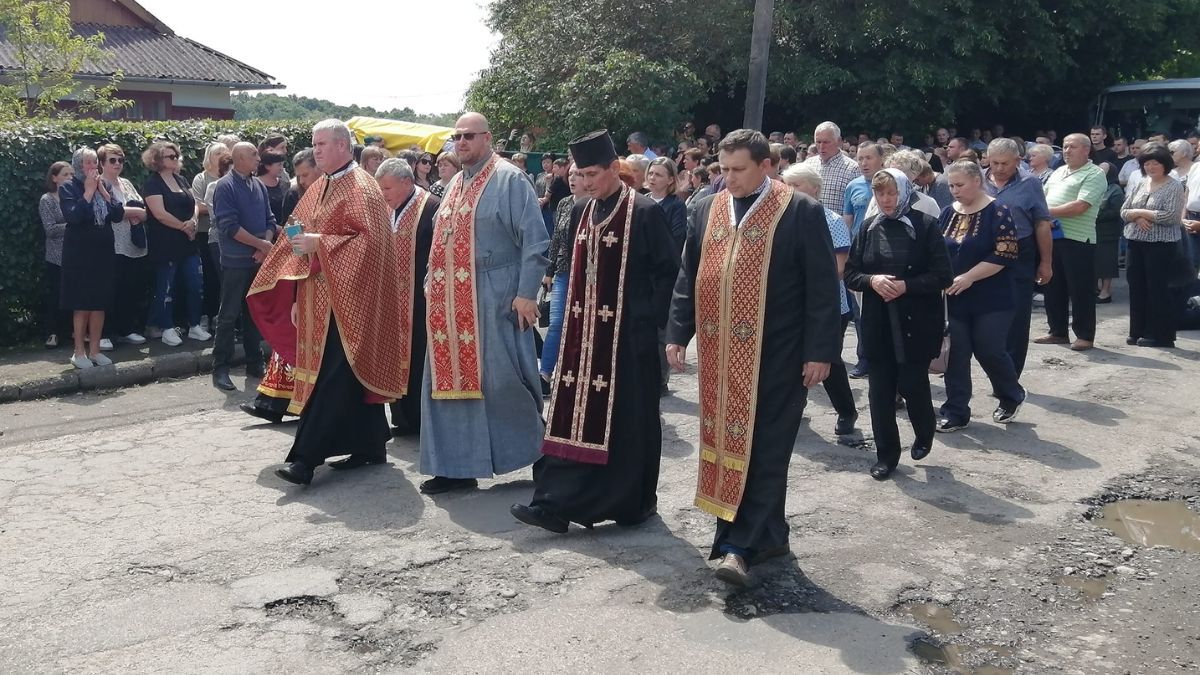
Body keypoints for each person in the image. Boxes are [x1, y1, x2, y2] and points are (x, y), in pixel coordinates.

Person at [666, 129, 841, 586]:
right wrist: (678, 332)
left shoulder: (799, 210)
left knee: (766, 447)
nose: (729, 179)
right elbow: (692, 272)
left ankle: (737, 546)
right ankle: (770, 535)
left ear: (766, 166)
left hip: (780, 353)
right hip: (722, 357)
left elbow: (823, 287)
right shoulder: (707, 207)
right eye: (722, 170)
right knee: (728, 444)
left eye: (738, 170)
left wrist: (820, 352)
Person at [511, 129, 679, 533]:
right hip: (582, 341)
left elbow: (669, 275)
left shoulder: (644, 212)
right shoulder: (585, 210)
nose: (585, 182)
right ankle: (553, 503)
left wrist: (645, 324)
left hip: (627, 341)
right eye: (579, 175)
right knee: (570, 417)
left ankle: (631, 503)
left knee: (626, 423)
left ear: (614, 169)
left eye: (591, 174)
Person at [251, 119, 408, 486]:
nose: (316, 150)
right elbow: (297, 232)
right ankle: (371, 444)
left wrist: (320, 243)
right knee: (346, 375)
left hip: (351, 300)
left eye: (322, 144)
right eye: (314, 144)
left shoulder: (362, 187)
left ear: (342, 146)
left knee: (331, 377)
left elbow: (370, 245)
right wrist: (292, 287)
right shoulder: (320, 185)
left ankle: (304, 460)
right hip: (316, 295)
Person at [418, 112, 550, 495]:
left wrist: (527, 293)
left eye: (469, 136)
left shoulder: (509, 178)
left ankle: (541, 453)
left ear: (487, 138)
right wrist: (430, 282)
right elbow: (438, 243)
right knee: (447, 385)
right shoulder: (455, 183)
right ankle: (456, 467)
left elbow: (535, 240)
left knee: (501, 379)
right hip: (449, 301)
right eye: (456, 136)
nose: (461, 142)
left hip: (496, 294)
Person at [844, 168, 952, 480]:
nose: (887, 200)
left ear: (904, 192)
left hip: (916, 322)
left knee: (913, 384)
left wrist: (907, 286)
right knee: (880, 393)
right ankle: (886, 456)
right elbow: (851, 273)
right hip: (879, 323)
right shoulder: (867, 227)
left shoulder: (926, 225)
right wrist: (873, 280)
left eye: (892, 193)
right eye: (880, 194)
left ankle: (924, 431)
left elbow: (943, 275)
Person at [936, 160, 1025, 433]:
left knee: (989, 349)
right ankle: (956, 411)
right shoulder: (947, 213)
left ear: (977, 181)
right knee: (956, 354)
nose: (955, 191)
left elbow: (1004, 254)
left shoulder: (998, 211)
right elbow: (938, 249)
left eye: (960, 185)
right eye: (951, 185)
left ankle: (1010, 395)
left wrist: (969, 277)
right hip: (955, 297)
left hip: (992, 296)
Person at [781, 164, 860, 438]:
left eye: (796, 185)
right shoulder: (782, 220)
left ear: (814, 189)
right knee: (791, 359)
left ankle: (847, 411)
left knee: (830, 361)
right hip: (793, 306)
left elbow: (838, 268)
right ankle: (791, 409)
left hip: (830, 306)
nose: (789, 191)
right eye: (786, 185)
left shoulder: (832, 220)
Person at [374, 158, 439, 436]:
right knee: (396, 356)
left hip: (421, 299)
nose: (384, 194)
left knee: (420, 357)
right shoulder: (387, 209)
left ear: (406, 182)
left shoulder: (432, 207)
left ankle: (422, 419)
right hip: (392, 299)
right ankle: (402, 417)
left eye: (387, 188)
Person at [210, 142, 277, 392]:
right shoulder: (225, 186)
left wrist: (265, 245)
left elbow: (269, 218)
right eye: (253, 154)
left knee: (254, 313)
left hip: (258, 259)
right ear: (238, 159)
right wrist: (261, 244)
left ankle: (254, 362)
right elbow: (228, 226)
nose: (258, 158)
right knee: (228, 314)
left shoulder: (257, 184)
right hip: (236, 261)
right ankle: (220, 368)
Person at [984, 138, 1053, 376]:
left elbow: (1042, 223)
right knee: (987, 315)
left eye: (1006, 163)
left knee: (1017, 315)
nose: (1000, 168)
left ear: (1018, 161)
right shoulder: (977, 180)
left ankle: (1011, 376)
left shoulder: (1030, 183)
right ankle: (995, 369)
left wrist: (1045, 263)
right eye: (995, 163)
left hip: (1019, 251)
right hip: (983, 252)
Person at [1036, 133, 1107, 351]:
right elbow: (1042, 196)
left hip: (1078, 239)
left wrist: (1044, 213)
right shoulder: (1058, 172)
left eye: (1072, 147)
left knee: (1080, 289)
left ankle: (1085, 335)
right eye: (1065, 147)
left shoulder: (1094, 174)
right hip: (1051, 236)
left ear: (1086, 150)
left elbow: (1080, 206)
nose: (1066, 151)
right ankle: (1057, 331)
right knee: (1052, 285)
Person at [59, 147, 125, 370]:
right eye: (88, 163)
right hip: (80, 253)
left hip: (103, 252)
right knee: (82, 303)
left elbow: (117, 214)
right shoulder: (68, 187)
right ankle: (79, 352)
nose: (93, 168)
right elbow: (74, 216)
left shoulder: (104, 184)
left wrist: (104, 194)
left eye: (95, 162)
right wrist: (88, 192)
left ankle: (95, 350)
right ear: (79, 166)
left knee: (99, 302)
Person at [143, 141, 211, 347]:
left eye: (175, 155)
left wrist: (192, 222)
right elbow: (160, 214)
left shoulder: (181, 179)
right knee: (167, 287)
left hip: (188, 242)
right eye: (169, 156)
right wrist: (184, 227)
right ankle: (167, 328)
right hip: (166, 244)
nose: (175, 159)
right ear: (157, 160)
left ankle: (194, 325)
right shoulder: (152, 183)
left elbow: (195, 205)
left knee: (194, 284)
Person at [1121, 143, 1186, 348]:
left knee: (1157, 288)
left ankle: (1160, 334)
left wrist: (1141, 213)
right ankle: (1137, 330)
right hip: (1136, 241)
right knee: (1136, 286)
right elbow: (1125, 211)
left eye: (1155, 163)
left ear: (1165, 164)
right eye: (1147, 163)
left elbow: (1171, 216)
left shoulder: (1174, 185)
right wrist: (1136, 216)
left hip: (1161, 244)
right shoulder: (1141, 183)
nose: (1150, 167)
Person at [98, 144, 150, 347]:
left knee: (131, 287)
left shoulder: (126, 183)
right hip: (112, 244)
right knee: (111, 288)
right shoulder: (100, 183)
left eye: (120, 160)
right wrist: (134, 213)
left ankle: (126, 329)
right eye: (112, 160)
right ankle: (105, 333)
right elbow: (109, 211)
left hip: (133, 243)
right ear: (102, 163)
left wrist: (134, 213)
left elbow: (144, 209)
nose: (117, 164)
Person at [539, 164, 585, 392]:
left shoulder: (600, 203)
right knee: (557, 323)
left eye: (578, 174)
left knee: (583, 327)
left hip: (590, 275)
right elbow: (556, 238)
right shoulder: (566, 203)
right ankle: (545, 375)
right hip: (564, 271)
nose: (573, 178)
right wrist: (549, 271)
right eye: (571, 175)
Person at [645, 156, 688, 395]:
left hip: (663, 276)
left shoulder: (675, 206)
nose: (653, 178)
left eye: (659, 174)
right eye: (651, 173)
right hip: (641, 275)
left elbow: (676, 239)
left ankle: (660, 378)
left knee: (661, 328)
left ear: (671, 179)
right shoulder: (640, 201)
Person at [193, 142, 231, 329]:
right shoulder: (202, 179)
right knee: (210, 276)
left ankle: (220, 316)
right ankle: (208, 315)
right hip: (206, 233)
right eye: (217, 153)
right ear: (209, 156)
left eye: (224, 152)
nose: (222, 155)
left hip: (227, 236)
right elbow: (198, 206)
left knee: (223, 278)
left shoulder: (232, 177)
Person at [40, 162, 73, 349]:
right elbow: (50, 229)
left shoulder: (75, 196)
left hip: (75, 255)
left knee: (73, 295)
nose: (70, 177)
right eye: (65, 174)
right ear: (54, 177)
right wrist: (73, 224)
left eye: (71, 174)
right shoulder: (47, 199)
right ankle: (52, 333)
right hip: (56, 256)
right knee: (55, 295)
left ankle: (72, 331)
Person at [802, 121, 861, 215]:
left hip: (838, 227)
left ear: (839, 141)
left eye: (826, 142)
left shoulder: (853, 169)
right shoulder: (807, 165)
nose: (821, 146)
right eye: (818, 142)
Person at [1094, 179, 1126, 304]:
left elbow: (1116, 211)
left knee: (1106, 263)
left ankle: (1105, 292)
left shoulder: (1115, 190)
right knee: (1094, 262)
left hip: (1108, 232)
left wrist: (1095, 214)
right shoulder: (1094, 186)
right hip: (1092, 230)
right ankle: (1095, 289)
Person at [280, 148, 317, 224]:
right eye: (298, 177)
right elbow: (289, 228)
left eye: (305, 175)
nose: (301, 181)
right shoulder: (293, 195)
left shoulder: (332, 191)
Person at [256, 151, 288, 225]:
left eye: (282, 165)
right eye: (279, 165)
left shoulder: (285, 185)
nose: (281, 168)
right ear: (267, 166)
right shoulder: (255, 186)